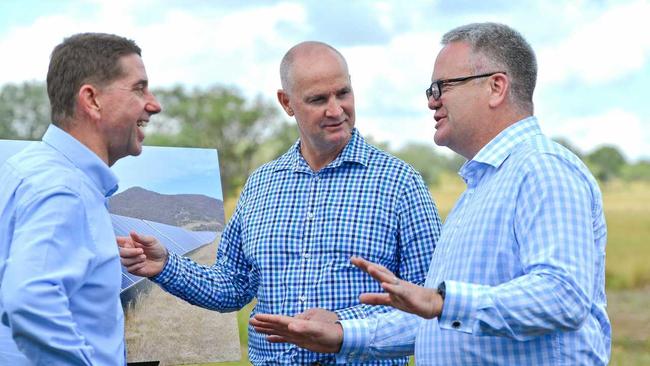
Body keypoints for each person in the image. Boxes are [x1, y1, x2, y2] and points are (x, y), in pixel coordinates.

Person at [251, 22, 611, 365]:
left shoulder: (542, 168)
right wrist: (344, 334)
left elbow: (562, 296)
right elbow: (434, 319)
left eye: (443, 87)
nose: (432, 101)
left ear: (496, 87)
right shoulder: (482, 187)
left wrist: (442, 301)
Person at [118, 41, 442, 365]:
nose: (335, 110)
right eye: (318, 99)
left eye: (342, 93)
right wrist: (165, 266)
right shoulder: (261, 185)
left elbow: (430, 312)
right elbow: (231, 286)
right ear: (286, 103)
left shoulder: (401, 184)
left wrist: (345, 328)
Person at [0, 33, 161, 365]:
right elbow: (30, 300)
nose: (154, 104)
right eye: (138, 88)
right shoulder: (66, 189)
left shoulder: (27, 169)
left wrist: (91, 251)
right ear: (92, 100)